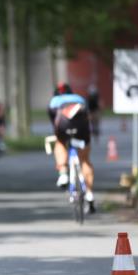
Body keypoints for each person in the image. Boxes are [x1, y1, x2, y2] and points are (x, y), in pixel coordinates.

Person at [48, 82, 96, 213]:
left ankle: (63, 173)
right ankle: (90, 193)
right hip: (82, 129)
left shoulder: (54, 101)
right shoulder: (79, 99)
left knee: (60, 143)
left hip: (63, 126)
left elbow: (55, 123)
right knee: (85, 160)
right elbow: (88, 117)